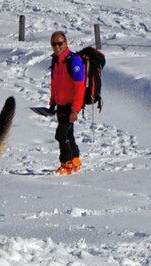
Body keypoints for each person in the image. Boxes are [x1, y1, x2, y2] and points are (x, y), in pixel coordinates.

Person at [49, 31, 85, 175]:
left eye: (59, 43)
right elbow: (54, 83)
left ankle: (66, 164)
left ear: (66, 43)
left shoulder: (73, 60)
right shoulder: (56, 60)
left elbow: (80, 86)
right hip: (61, 105)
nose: (56, 46)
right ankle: (75, 160)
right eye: (53, 44)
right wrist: (52, 103)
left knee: (61, 135)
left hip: (71, 106)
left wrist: (75, 109)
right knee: (69, 134)